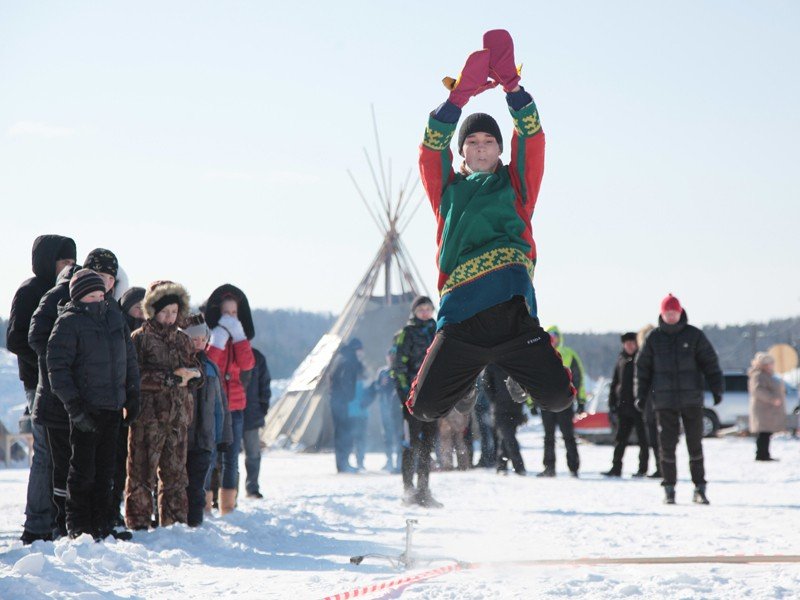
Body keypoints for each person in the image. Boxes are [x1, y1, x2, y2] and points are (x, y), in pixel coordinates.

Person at [408, 29, 574, 432]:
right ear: (461, 151)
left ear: (500, 149)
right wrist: (457, 100)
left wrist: (513, 89)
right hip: (462, 318)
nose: (481, 147)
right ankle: (465, 379)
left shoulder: (516, 186)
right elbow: (430, 150)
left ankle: (519, 371)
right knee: (425, 408)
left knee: (559, 399)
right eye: (473, 142)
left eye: (489, 141)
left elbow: (532, 137)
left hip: (513, 313)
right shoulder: (447, 192)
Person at [46, 269, 140, 540]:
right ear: (78, 297)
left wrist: (133, 395)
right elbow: (58, 368)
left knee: (107, 471)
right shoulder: (68, 322)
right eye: (91, 295)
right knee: (83, 470)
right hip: (86, 408)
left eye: (101, 294)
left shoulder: (114, 318)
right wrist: (74, 407)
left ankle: (103, 524)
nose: (98, 299)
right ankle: (78, 527)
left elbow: (129, 361)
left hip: (112, 406)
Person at [7, 234, 76, 544]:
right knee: (45, 453)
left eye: (73, 261)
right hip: (37, 383)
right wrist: (47, 360)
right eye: (64, 260)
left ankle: (59, 520)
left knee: (64, 453)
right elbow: (16, 339)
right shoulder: (30, 290)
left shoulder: (72, 288)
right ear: (49, 260)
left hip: (67, 384)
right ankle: (37, 524)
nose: (69, 266)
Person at [125, 280, 202, 530]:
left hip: (178, 418)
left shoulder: (183, 340)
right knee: (141, 474)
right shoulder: (140, 339)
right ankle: (138, 525)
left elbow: (195, 369)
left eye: (174, 312)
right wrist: (168, 378)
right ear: (152, 311)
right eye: (164, 312)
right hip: (148, 418)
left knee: (176, 477)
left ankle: (175, 525)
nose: (169, 318)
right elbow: (133, 376)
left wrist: (193, 376)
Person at [635, 294, 724, 505]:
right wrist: (640, 395)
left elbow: (710, 363)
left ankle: (699, 488)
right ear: (662, 314)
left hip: (691, 399)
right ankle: (669, 488)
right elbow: (642, 369)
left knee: (695, 444)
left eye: (674, 313)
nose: (671, 316)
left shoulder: (694, 336)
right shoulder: (653, 338)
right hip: (664, 402)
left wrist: (717, 388)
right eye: (668, 313)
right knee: (666, 446)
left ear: (680, 312)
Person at [203, 284, 256, 514]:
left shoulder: (239, 339)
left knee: (231, 460)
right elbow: (209, 363)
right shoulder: (212, 336)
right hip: (213, 405)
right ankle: (204, 505)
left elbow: (247, 364)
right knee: (209, 456)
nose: (231, 318)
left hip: (234, 405)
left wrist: (239, 337)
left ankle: (228, 507)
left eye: (234, 314)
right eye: (227, 313)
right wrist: (219, 339)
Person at [182, 313, 230, 526]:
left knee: (198, 485)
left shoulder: (211, 367)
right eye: (194, 339)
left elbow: (220, 406)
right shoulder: (179, 365)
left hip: (205, 438)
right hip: (182, 437)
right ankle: (177, 524)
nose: (200, 343)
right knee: (179, 483)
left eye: (203, 339)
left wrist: (222, 435)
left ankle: (195, 524)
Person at [393, 296, 440, 507]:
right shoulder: (407, 333)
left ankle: (424, 490)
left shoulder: (438, 332)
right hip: (412, 397)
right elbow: (398, 366)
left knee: (428, 445)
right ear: (415, 311)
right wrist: (405, 395)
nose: (425, 312)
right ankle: (408, 489)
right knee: (411, 444)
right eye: (421, 309)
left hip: (433, 396)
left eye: (428, 309)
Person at [537, 326, 585, 478]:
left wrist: (581, 399)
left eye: (555, 336)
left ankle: (574, 467)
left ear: (559, 338)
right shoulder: (541, 354)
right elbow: (535, 380)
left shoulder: (569, 354)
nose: (553, 339)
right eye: (550, 336)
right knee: (548, 436)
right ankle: (549, 468)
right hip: (546, 403)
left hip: (565, 402)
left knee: (568, 436)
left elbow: (578, 377)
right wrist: (532, 403)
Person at [602, 333, 648, 478]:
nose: (629, 346)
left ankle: (643, 469)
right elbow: (615, 383)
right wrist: (612, 403)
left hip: (639, 407)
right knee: (620, 439)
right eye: (627, 343)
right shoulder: (620, 360)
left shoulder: (641, 360)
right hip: (623, 407)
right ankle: (616, 467)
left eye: (632, 343)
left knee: (643, 440)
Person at [328, 338, 364, 473]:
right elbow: (345, 380)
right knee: (344, 433)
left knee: (341, 433)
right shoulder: (348, 360)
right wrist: (349, 396)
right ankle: (343, 464)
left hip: (337, 400)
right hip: (341, 401)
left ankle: (342, 463)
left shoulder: (341, 357)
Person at [482, 364, 526, 475]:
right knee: (508, 436)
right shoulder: (492, 364)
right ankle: (519, 466)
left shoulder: (516, 361)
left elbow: (524, 381)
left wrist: (522, 398)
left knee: (505, 437)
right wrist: (494, 399)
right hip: (500, 407)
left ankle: (501, 465)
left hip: (515, 406)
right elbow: (486, 384)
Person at [368, 351, 403, 473]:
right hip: (385, 408)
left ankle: (399, 462)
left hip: (397, 409)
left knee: (399, 435)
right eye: (389, 356)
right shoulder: (382, 372)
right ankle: (389, 461)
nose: (391, 358)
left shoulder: (399, 370)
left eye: (393, 355)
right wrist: (380, 384)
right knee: (387, 437)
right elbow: (376, 388)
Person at [242, 348, 271, 498]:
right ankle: (227, 490)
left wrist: (263, 407)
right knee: (227, 456)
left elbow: (264, 384)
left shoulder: (257, 357)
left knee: (253, 454)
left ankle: (252, 487)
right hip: (232, 412)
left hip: (252, 413)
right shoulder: (227, 352)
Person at [748, 352, 786, 461]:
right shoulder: (758, 375)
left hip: (768, 410)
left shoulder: (767, 375)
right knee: (763, 432)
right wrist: (772, 399)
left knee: (766, 432)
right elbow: (758, 390)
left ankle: (765, 454)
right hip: (763, 409)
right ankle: (761, 454)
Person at [637, 324, 661, 478]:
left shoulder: (660, 355)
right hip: (649, 402)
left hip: (661, 400)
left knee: (662, 438)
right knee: (652, 438)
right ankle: (659, 467)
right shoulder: (642, 357)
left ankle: (663, 467)